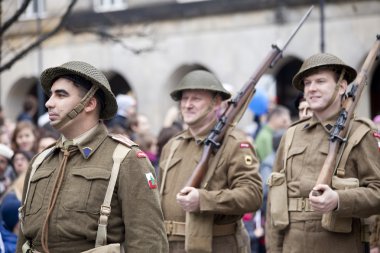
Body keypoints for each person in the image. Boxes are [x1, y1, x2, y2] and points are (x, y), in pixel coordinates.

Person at [16, 61, 168, 253]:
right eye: (50, 95)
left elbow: (148, 241)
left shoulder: (126, 159)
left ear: (89, 103)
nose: (49, 103)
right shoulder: (40, 162)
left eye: (61, 95)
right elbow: (23, 238)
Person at [265, 53, 380, 253]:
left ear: (342, 86)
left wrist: (338, 200)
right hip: (293, 246)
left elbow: (377, 191)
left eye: (320, 81)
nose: (311, 89)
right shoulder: (292, 134)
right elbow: (276, 198)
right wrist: (274, 249)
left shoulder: (360, 132)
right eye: (307, 83)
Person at [159, 70, 263, 253]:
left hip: (216, 246)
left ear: (216, 103)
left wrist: (203, 200)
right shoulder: (172, 145)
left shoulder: (235, 143)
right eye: (184, 99)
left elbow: (252, 195)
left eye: (196, 99)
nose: (187, 105)